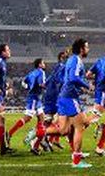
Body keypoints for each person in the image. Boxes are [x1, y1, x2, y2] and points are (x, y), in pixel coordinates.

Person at [39, 38, 92, 169]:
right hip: (70, 97)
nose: (88, 49)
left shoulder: (71, 60)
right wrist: (86, 85)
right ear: (81, 49)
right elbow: (73, 78)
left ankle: (38, 133)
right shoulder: (76, 60)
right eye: (86, 47)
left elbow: (70, 78)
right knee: (81, 126)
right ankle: (77, 160)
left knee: (63, 130)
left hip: (64, 97)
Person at [30, 50, 68, 153]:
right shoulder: (61, 67)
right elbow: (58, 80)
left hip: (54, 95)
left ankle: (43, 140)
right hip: (53, 96)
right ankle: (36, 137)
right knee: (57, 120)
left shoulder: (60, 67)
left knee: (51, 120)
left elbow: (53, 80)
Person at [7, 58, 46, 148]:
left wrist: (28, 87)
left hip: (36, 98)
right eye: (43, 63)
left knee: (41, 118)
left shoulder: (32, 73)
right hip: (34, 99)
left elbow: (23, 83)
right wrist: (49, 84)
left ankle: (37, 141)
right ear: (39, 64)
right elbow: (41, 84)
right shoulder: (41, 72)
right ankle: (10, 133)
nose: (45, 65)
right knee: (28, 118)